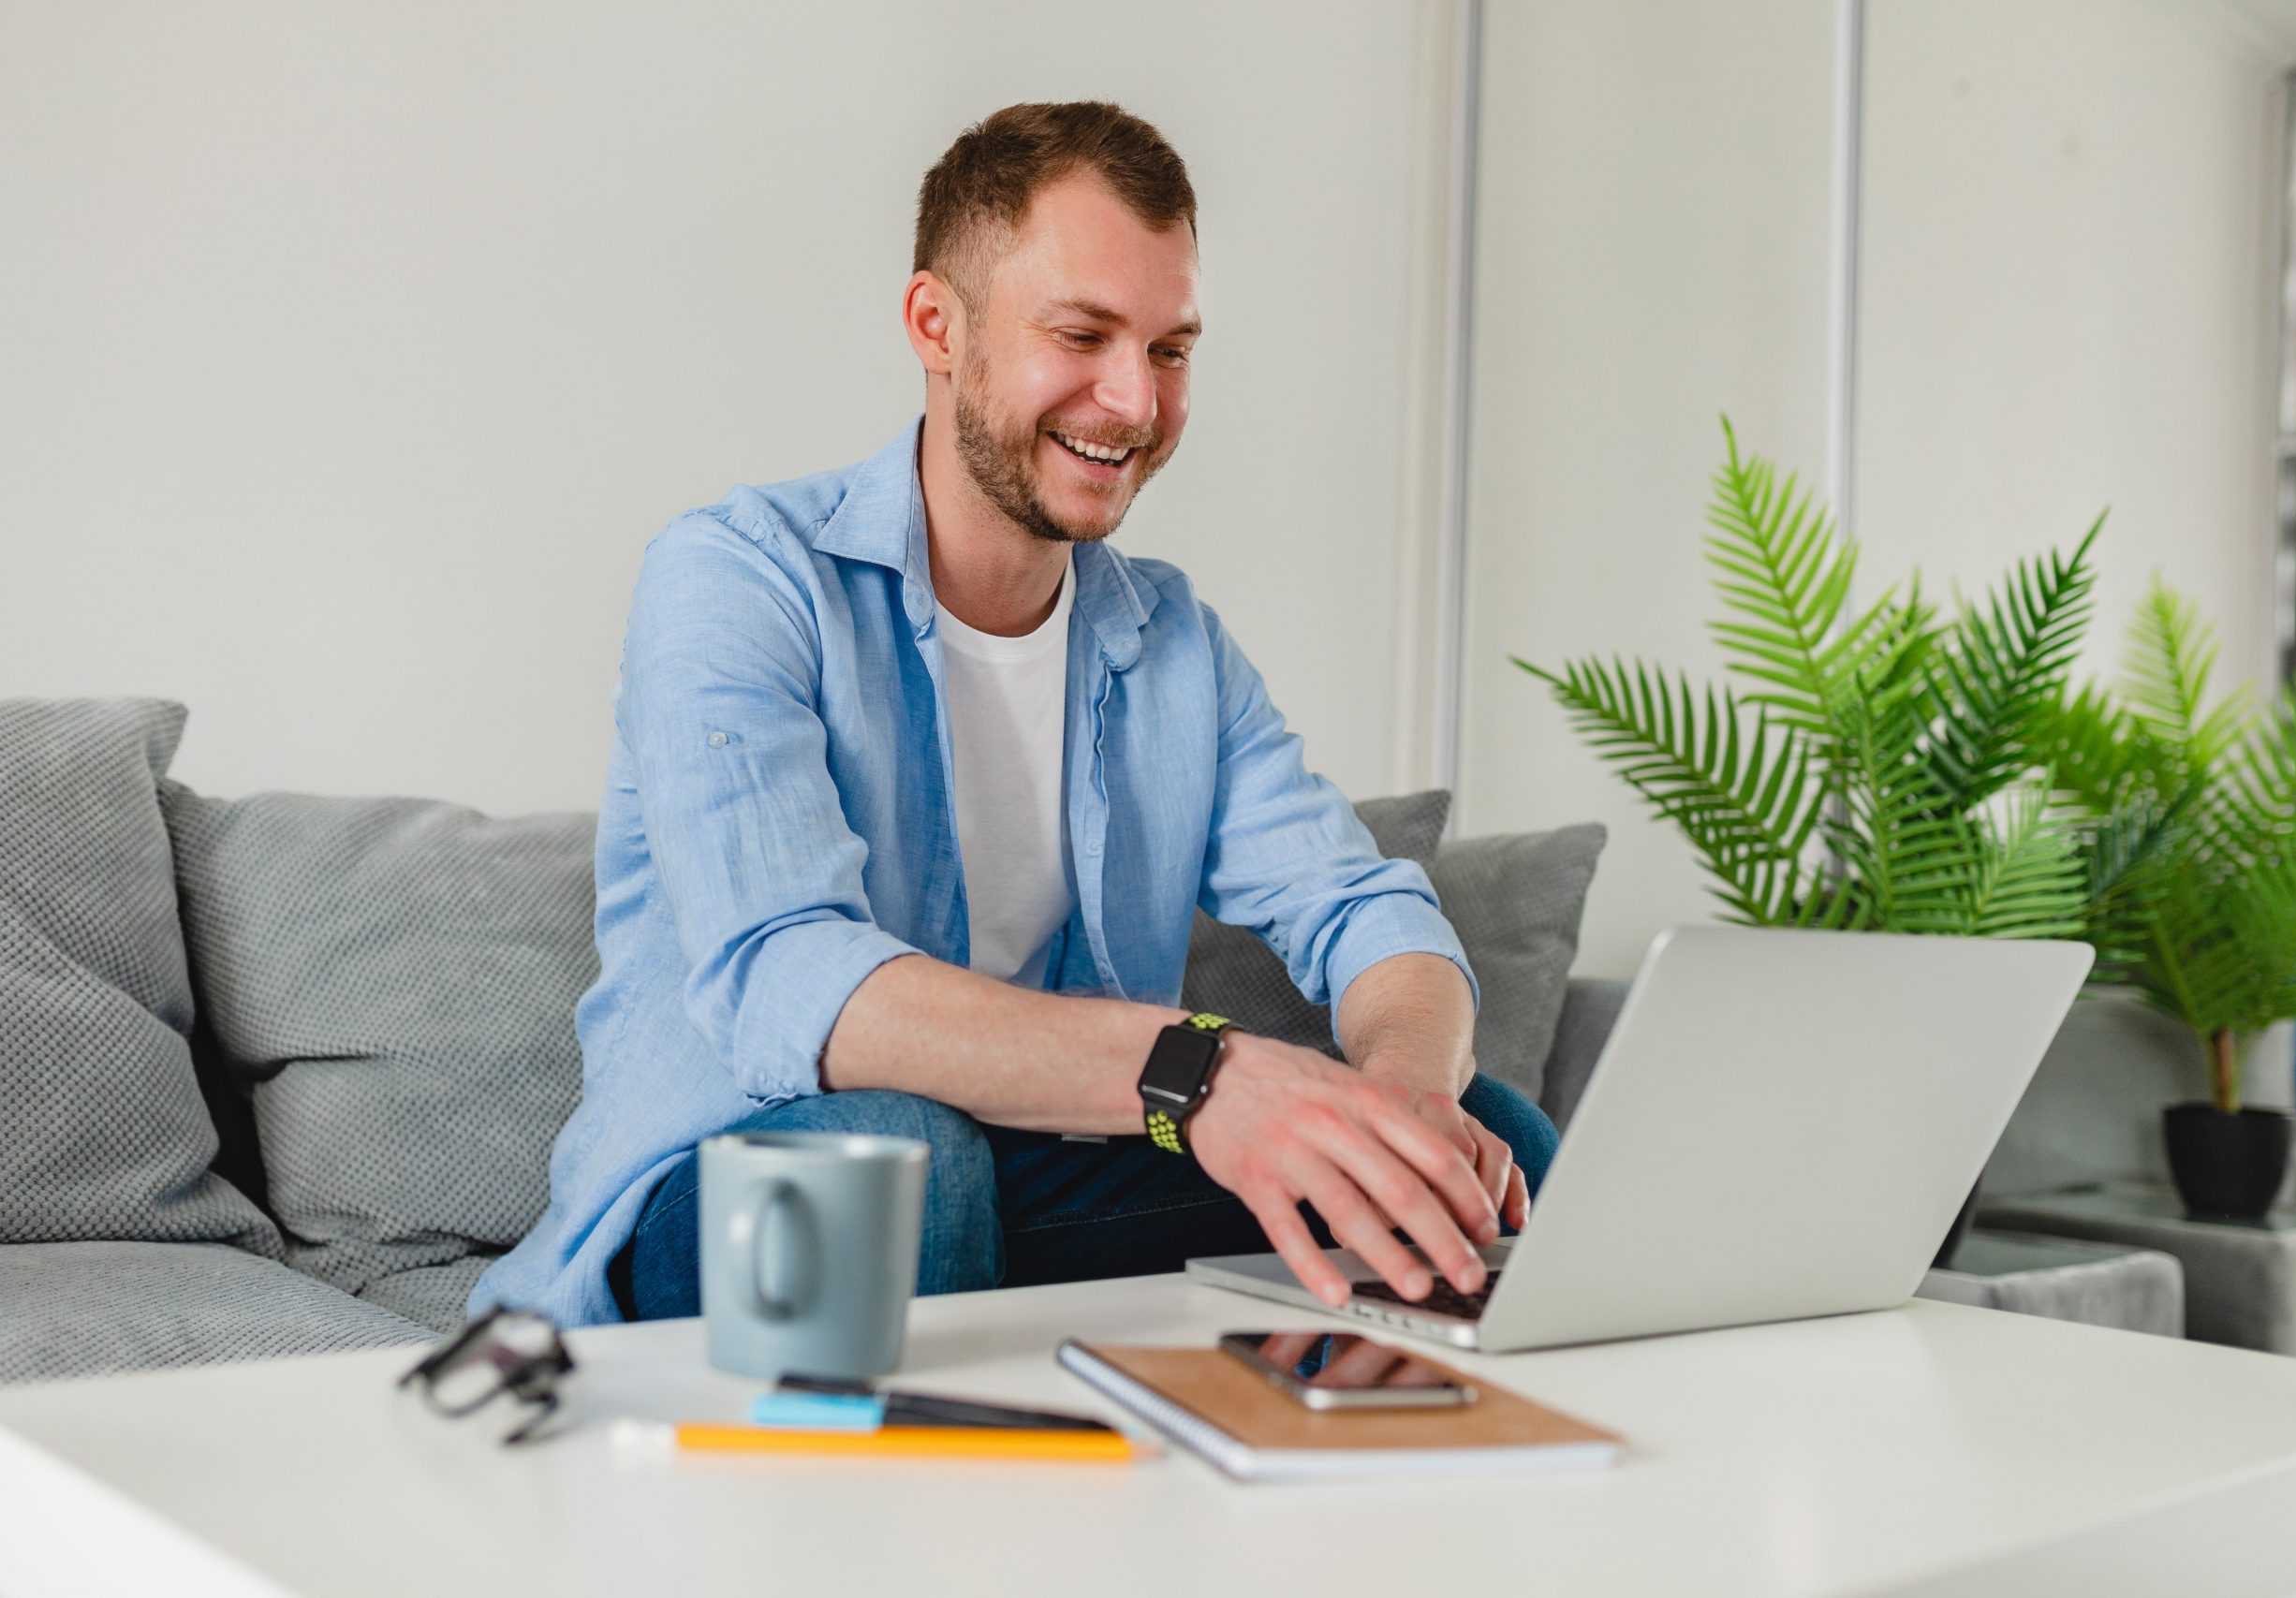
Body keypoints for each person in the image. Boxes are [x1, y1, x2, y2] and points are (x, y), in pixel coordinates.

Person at [472, 101, 1559, 1330]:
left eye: (1170, 350)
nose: (1134, 403)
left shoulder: (1174, 647)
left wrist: (1403, 1104)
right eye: (1084, 335)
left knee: (1483, 1145)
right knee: (900, 1160)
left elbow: (1366, 911)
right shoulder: (739, 577)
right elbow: (790, 977)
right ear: (937, 325)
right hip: (745, 1190)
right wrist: (1201, 1077)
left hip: (1039, 1176)